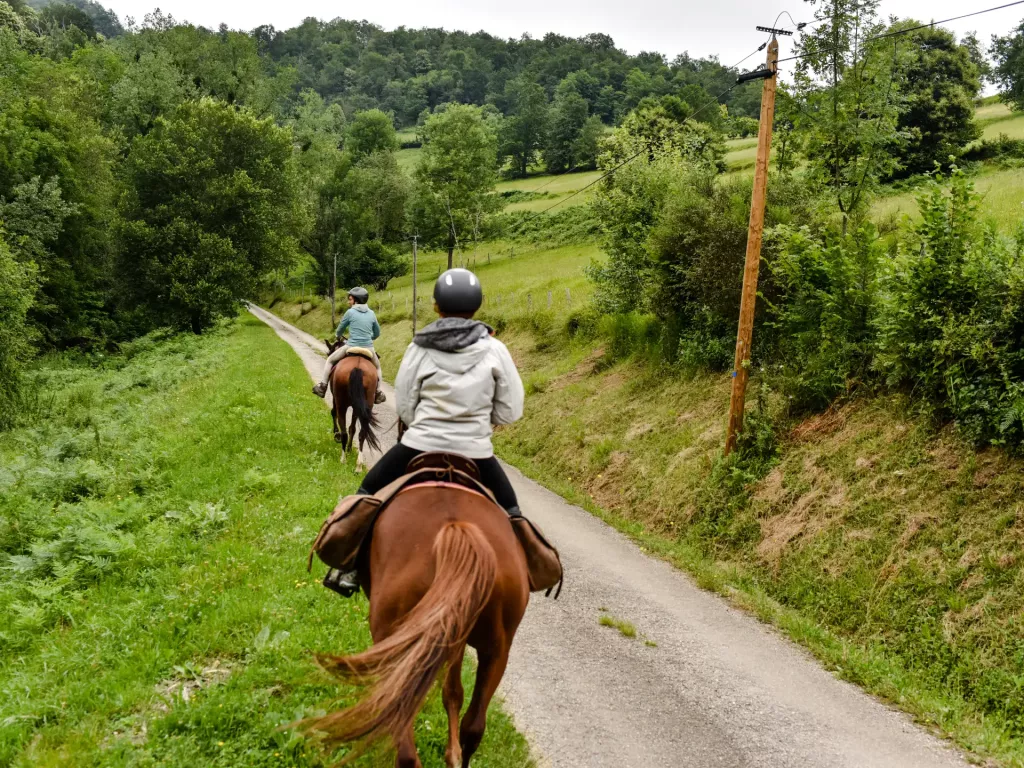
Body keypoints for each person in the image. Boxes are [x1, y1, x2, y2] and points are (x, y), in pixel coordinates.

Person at [323, 268, 525, 596]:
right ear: (477, 306)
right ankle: (527, 570)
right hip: (477, 452)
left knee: (367, 491)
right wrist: (480, 422)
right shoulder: (496, 349)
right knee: (513, 513)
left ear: (435, 307)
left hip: (419, 445)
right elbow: (510, 410)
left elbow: (405, 407)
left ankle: (346, 568)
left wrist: (426, 423)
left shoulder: (420, 346)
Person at [312, 287, 385, 404]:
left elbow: (340, 329)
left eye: (350, 299)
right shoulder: (372, 314)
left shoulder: (350, 312)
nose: (348, 302)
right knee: (377, 367)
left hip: (350, 346)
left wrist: (338, 335)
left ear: (356, 301)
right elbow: (377, 333)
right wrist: (369, 338)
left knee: (330, 360)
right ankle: (378, 392)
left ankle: (323, 386)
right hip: (369, 348)